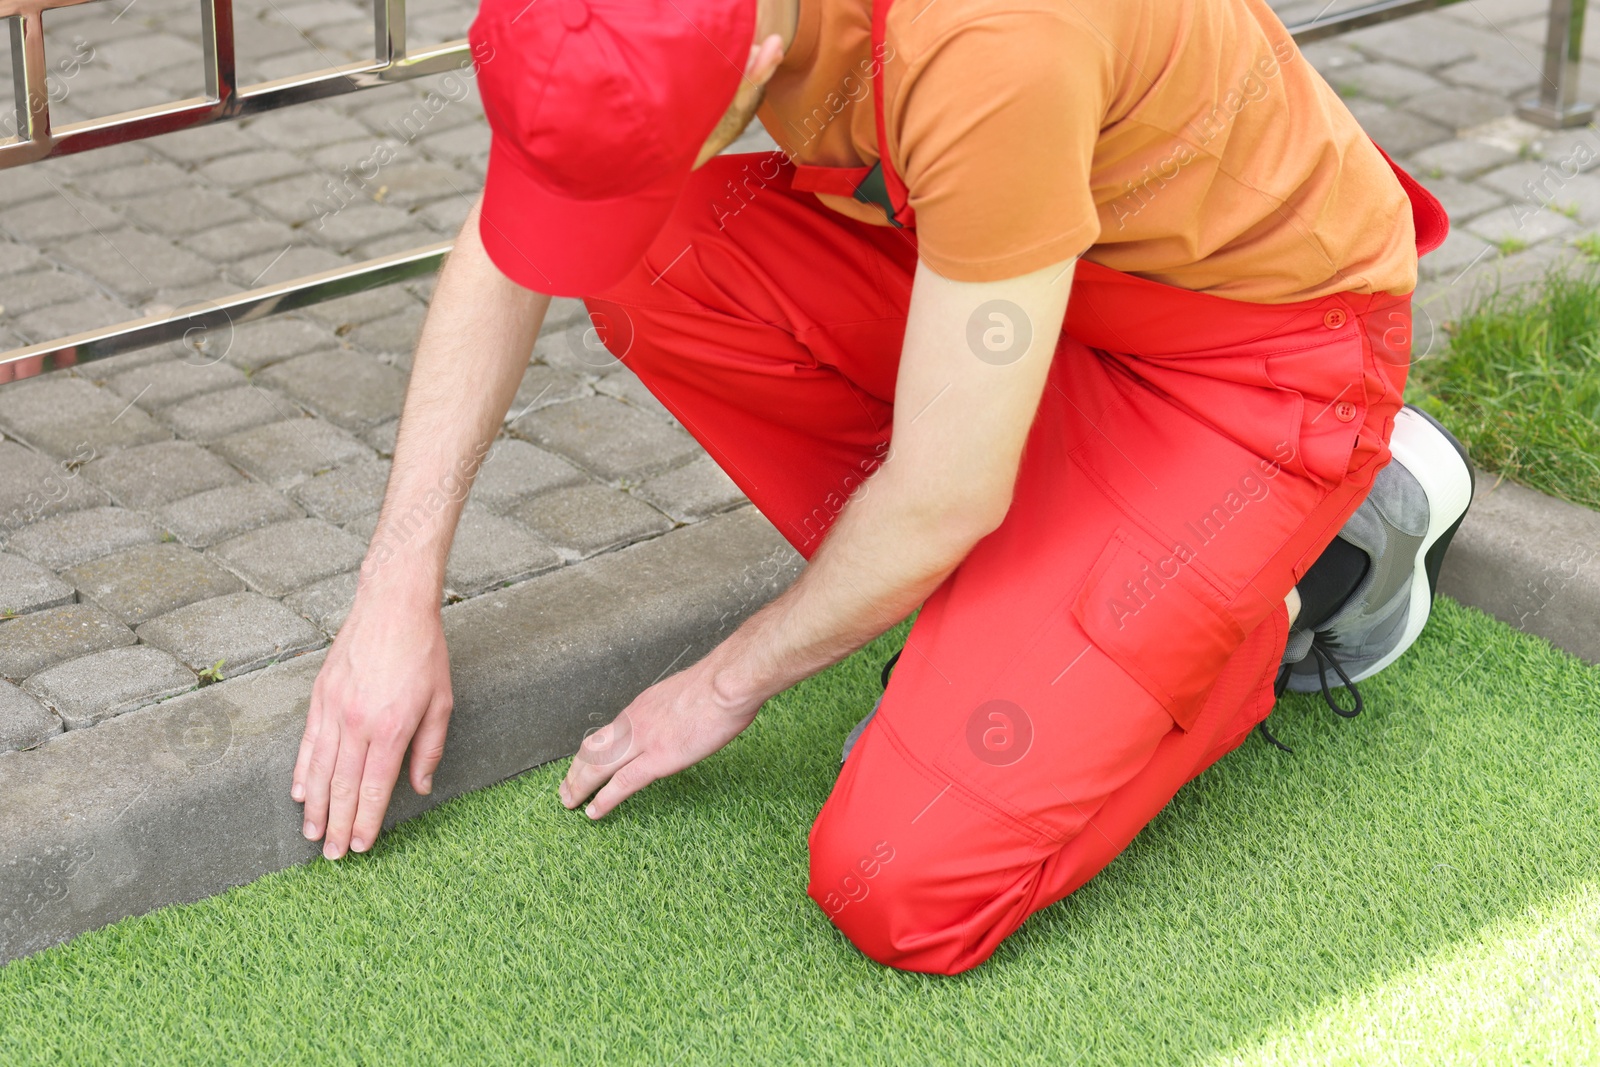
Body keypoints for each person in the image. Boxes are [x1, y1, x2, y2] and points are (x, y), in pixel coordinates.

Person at [292, 0, 1475, 974]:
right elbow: (510, 249)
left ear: (753, 59)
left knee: (900, 880)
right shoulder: (626, 22)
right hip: (1018, 278)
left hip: (1246, 362)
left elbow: (944, 493)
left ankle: (1304, 567)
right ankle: (1042, 597)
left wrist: (722, 681)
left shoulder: (991, 47)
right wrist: (393, 594)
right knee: (650, 260)